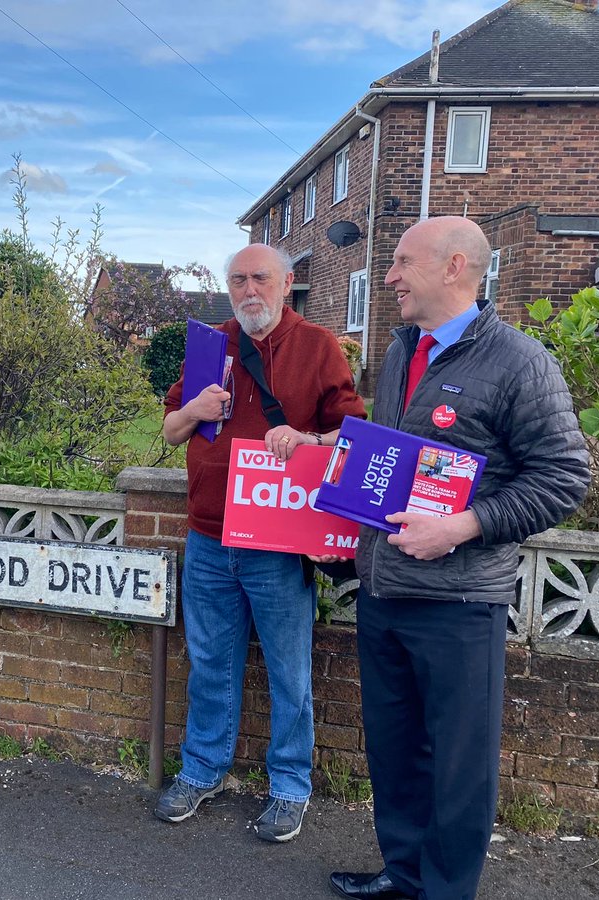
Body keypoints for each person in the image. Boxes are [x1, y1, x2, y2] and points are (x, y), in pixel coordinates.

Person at [328, 217, 589, 899]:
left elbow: (563, 476)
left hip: (459, 602)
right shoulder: (397, 353)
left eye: (402, 262)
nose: (388, 277)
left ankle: (446, 891)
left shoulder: (519, 360)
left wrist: (464, 525)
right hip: (383, 592)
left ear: (453, 268)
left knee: (458, 765)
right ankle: (404, 872)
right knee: (394, 751)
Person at [160, 243, 366, 842]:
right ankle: (202, 771)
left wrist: (304, 438)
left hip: (277, 539)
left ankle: (289, 786)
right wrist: (195, 407)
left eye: (261, 278)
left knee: (288, 671)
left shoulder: (319, 346)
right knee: (209, 666)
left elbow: (351, 435)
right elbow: (173, 433)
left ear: (286, 282)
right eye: (238, 280)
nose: (249, 290)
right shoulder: (209, 344)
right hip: (207, 536)